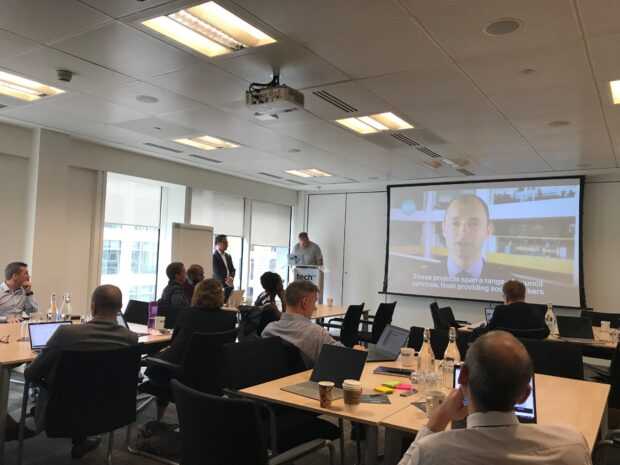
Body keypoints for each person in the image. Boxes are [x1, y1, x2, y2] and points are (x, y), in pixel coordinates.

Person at [398, 331, 590, 465]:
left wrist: (440, 416)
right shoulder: (572, 445)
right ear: (524, 395)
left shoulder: (432, 453)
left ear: (462, 377)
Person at [25, 285, 138, 459]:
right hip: (110, 406)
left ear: (93, 307)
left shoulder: (66, 333)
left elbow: (32, 374)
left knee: (73, 384)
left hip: (64, 407)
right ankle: (81, 441)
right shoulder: (130, 338)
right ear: (120, 308)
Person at [146, 279, 237, 420]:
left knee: (155, 358)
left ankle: (159, 419)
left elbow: (173, 340)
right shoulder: (230, 318)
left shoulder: (186, 313)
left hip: (178, 376)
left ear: (197, 294)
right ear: (220, 296)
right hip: (211, 377)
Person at [261, 281, 364, 368]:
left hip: (273, 386)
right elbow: (346, 360)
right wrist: (356, 351)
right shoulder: (317, 334)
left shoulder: (268, 330)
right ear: (305, 302)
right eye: (314, 302)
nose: (314, 308)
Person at [471, 280, 549, 340]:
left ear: (506, 297)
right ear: (524, 296)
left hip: (503, 357)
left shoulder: (500, 310)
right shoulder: (537, 311)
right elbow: (546, 332)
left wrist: (476, 330)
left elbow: (487, 332)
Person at [212, 235, 236, 301]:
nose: (227, 245)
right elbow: (216, 272)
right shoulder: (213, 256)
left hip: (230, 285)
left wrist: (231, 277)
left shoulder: (228, 256)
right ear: (218, 243)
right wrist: (227, 281)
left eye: (227, 243)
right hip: (219, 287)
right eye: (225, 243)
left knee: (231, 305)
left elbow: (233, 270)